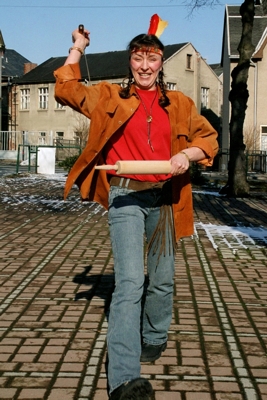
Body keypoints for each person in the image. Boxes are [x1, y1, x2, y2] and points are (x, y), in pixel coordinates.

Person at [54, 25, 218, 400]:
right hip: (125, 196)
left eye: (153, 58)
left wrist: (185, 156)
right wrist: (78, 48)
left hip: (165, 198)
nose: (145, 65)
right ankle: (125, 379)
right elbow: (66, 88)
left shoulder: (178, 104)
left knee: (162, 281)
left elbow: (207, 138)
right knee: (131, 283)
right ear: (131, 62)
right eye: (138, 57)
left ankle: (155, 335)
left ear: (161, 63)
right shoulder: (110, 95)